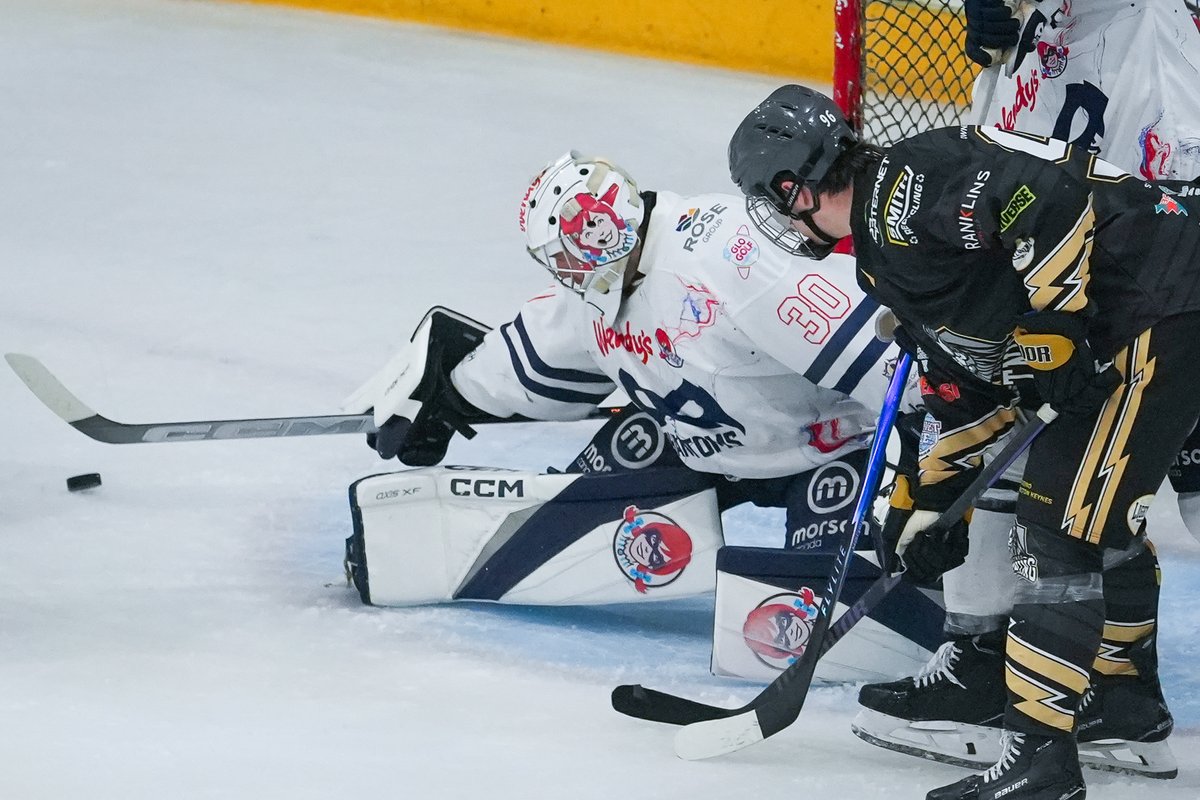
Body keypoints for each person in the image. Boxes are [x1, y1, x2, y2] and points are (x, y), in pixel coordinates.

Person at [727, 84, 1200, 799]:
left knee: (1059, 531)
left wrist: (1056, 320)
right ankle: (1120, 700)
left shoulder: (905, 193)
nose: (777, 213)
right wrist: (928, 502)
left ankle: (1042, 762)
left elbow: (1046, 199)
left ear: (796, 186)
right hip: (1144, 310)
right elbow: (967, 382)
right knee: (1085, 513)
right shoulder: (883, 246)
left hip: (1157, 306)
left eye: (772, 195)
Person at [342, 151, 947, 679]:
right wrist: (446, 394)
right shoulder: (592, 294)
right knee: (595, 477)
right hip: (699, 447)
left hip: (834, 452)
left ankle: (959, 624)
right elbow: (529, 358)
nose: (577, 271)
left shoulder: (735, 259)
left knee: (812, 607)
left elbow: (900, 370)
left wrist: (930, 478)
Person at [849, 0, 1200, 780]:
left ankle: (1066, 690)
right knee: (1074, 480)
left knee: (1104, 497)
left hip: (1150, 241)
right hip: (1102, 249)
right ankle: (1059, 677)